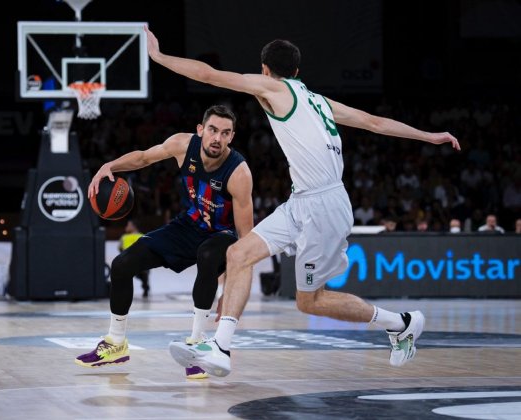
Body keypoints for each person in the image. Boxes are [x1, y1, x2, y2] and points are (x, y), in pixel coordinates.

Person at [145, 27, 461, 377]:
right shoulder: (319, 101)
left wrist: (159, 57)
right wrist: (427, 135)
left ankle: (400, 323)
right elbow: (374, 122)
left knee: (310, 300)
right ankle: (220, 347)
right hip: (302, 201)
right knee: (238, 254)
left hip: (324, 206)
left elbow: (208, 75)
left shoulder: (272, 88)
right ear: (297, 71)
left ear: (265, 69)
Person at [74, 105, 254, 379]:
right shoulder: (183, 145)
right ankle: (115, 343)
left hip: (223, 236)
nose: (218, 138)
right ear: (200, 130)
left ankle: (197, 345)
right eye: (213, 130)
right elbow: (144, 158)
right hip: (189, 225)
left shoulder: (239, 173)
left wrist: (230, 292)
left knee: (207, 254)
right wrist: (108, 166)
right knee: (122, 264)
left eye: (225, 133)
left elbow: (246, 242)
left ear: (232, 137)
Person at [118, 219, 150, 297]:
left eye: (128, 225)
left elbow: (120, 248)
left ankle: (145, 286)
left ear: (133, 226)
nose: (126, 227)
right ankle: (145, 286)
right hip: (133, 262)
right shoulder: (141, 236)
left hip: (135, 262)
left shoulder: (126, 237)